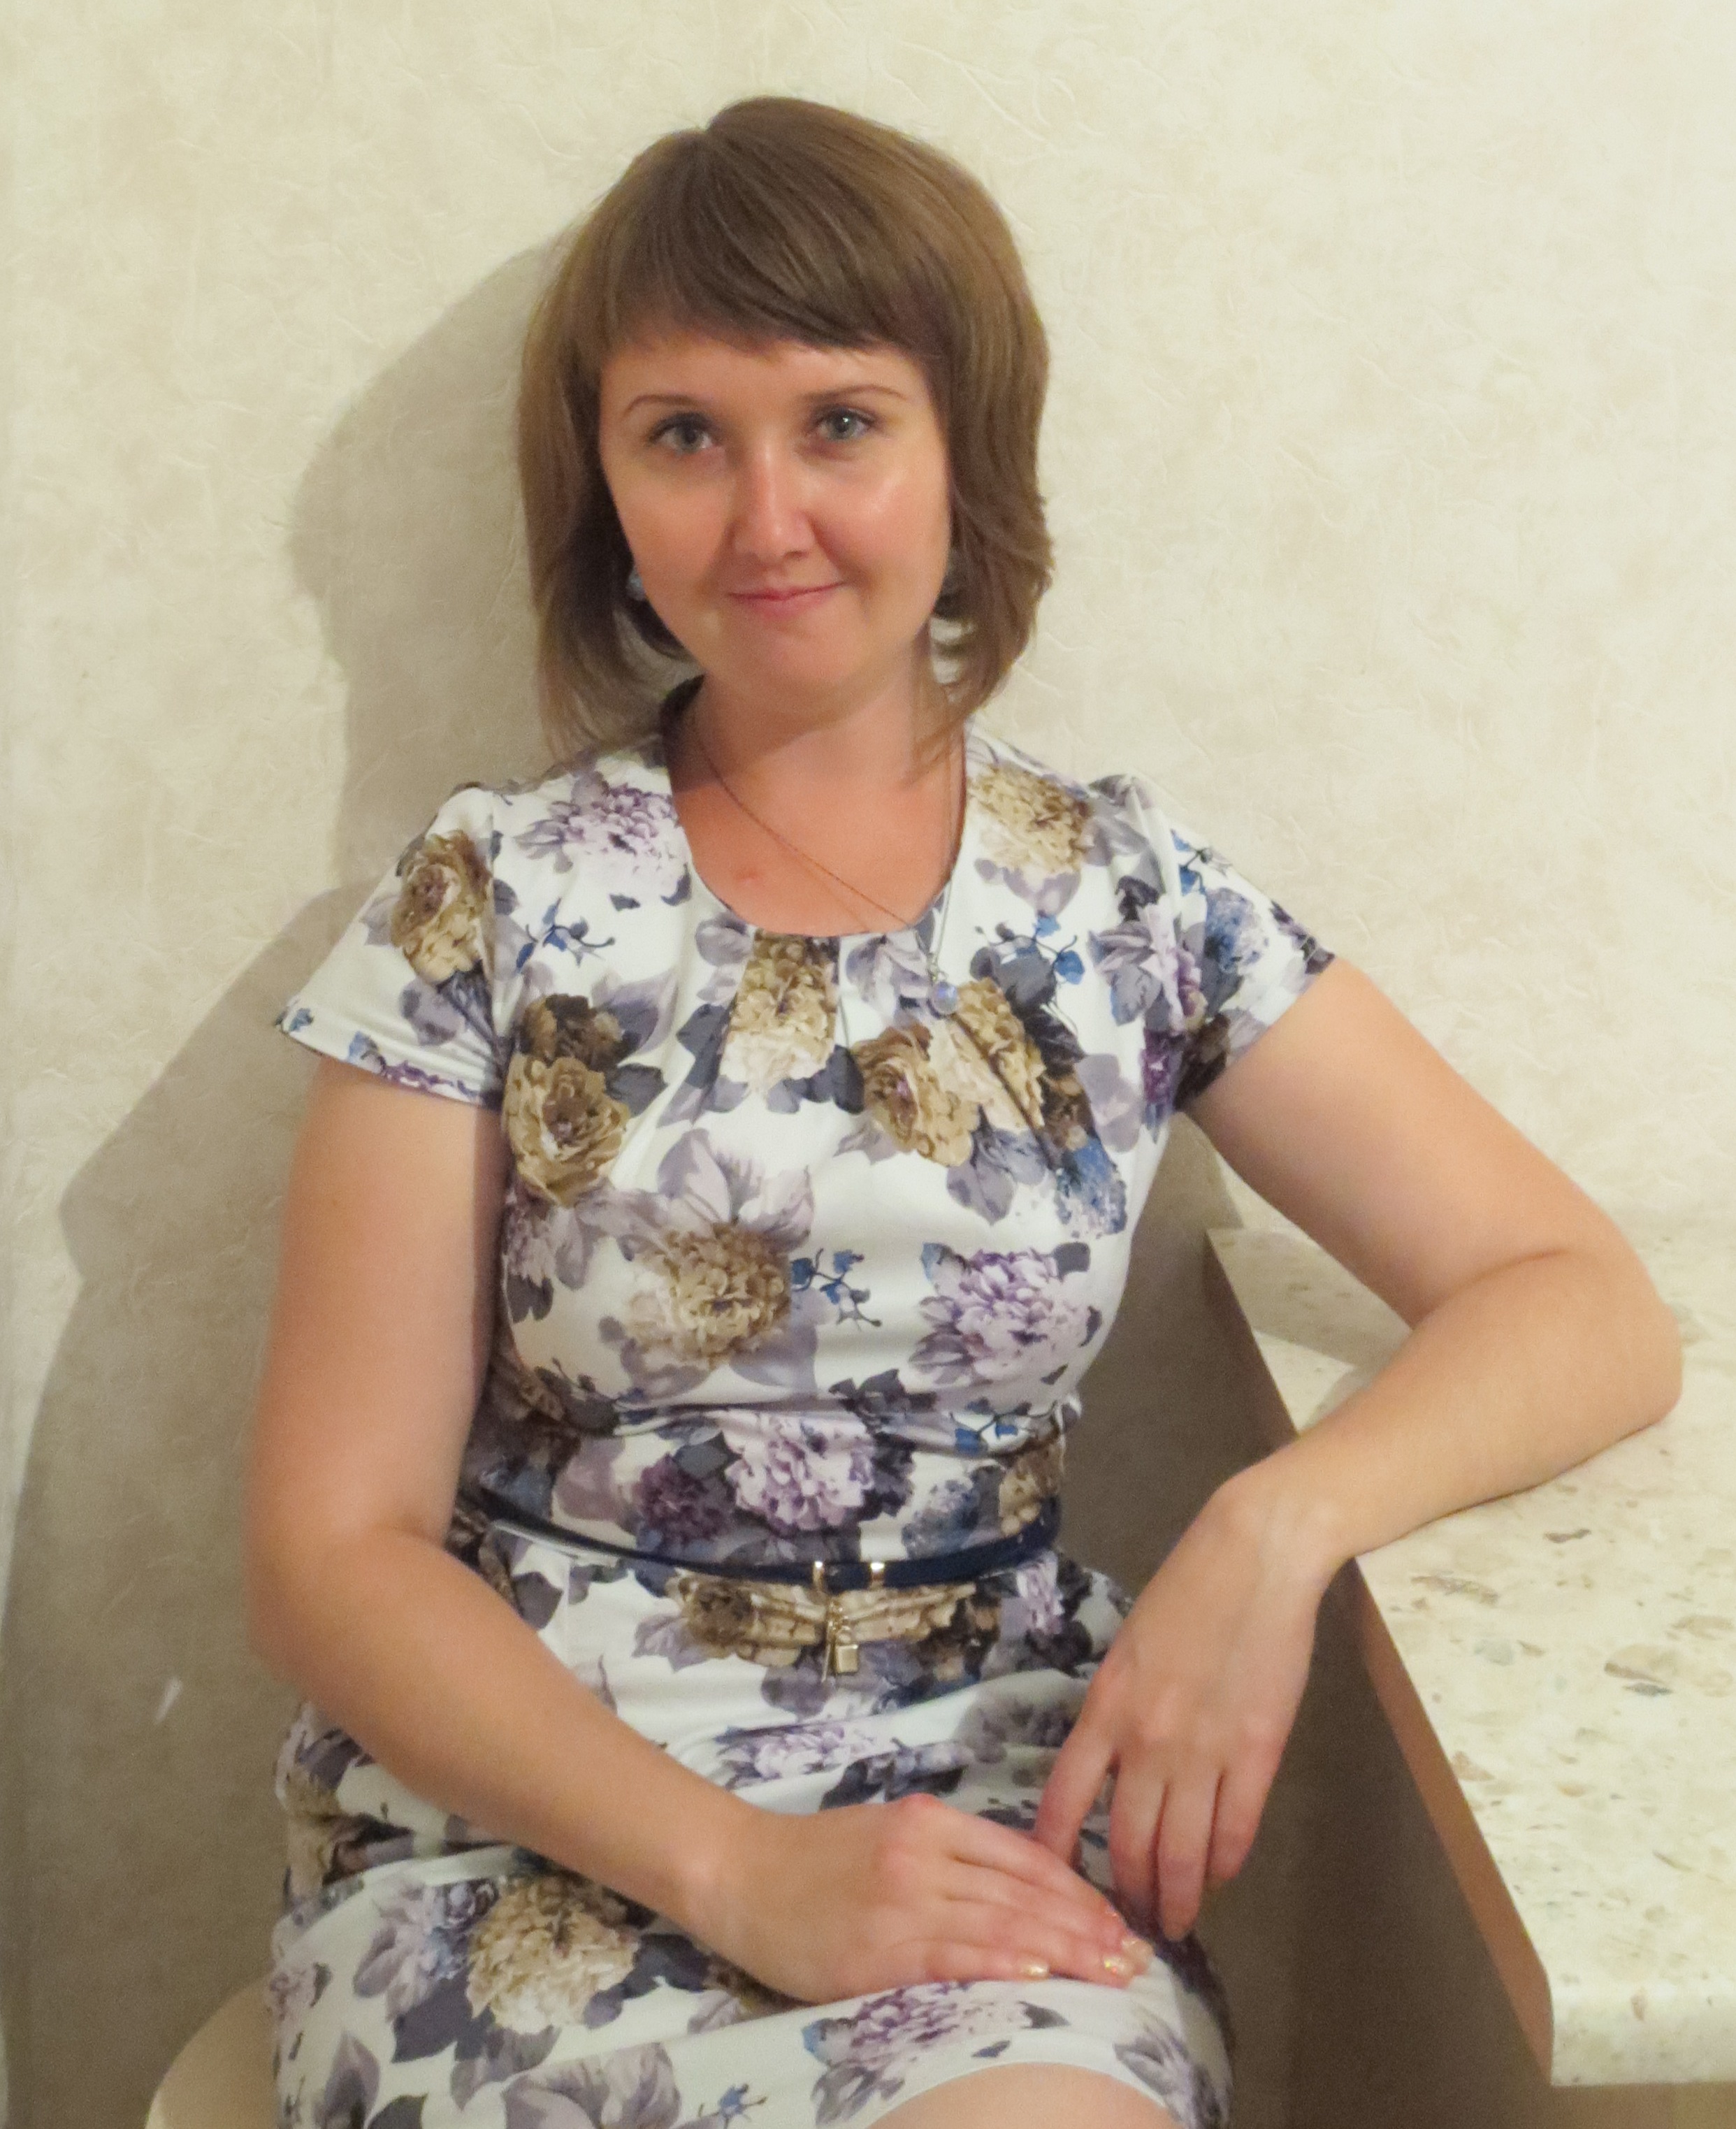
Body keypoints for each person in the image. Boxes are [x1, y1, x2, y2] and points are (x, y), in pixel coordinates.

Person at [245, 96, 1680, 2129]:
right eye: (683, 435)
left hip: (971, 1811)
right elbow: (331, 1550)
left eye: (840, 422)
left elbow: (1578, 1299)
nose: (766, 517)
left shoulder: (1126, 904)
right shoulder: (488, 900)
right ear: (604, 488)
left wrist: (1273, 1531)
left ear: (964, 453)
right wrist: (739, 1871)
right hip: (528, 1828)